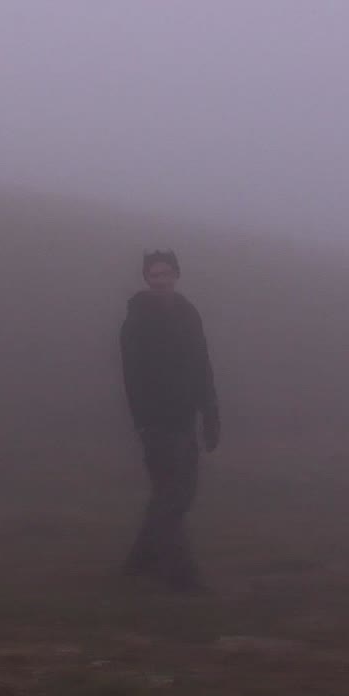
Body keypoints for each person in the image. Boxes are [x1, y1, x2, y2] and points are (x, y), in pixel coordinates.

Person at [119, 250, 220, 591]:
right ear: (147, 279)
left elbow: (202, 364)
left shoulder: (189, 313)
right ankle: (180, 576)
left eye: (166, 273)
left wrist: (210, 414)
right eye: (154, 274)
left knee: (178, 493)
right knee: (173, 495)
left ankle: (140, 562)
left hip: (185, 416)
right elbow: (131, 375)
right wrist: (144, 422)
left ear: (177, 274)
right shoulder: (137, 319)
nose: (160, 280)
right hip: (158, 421)